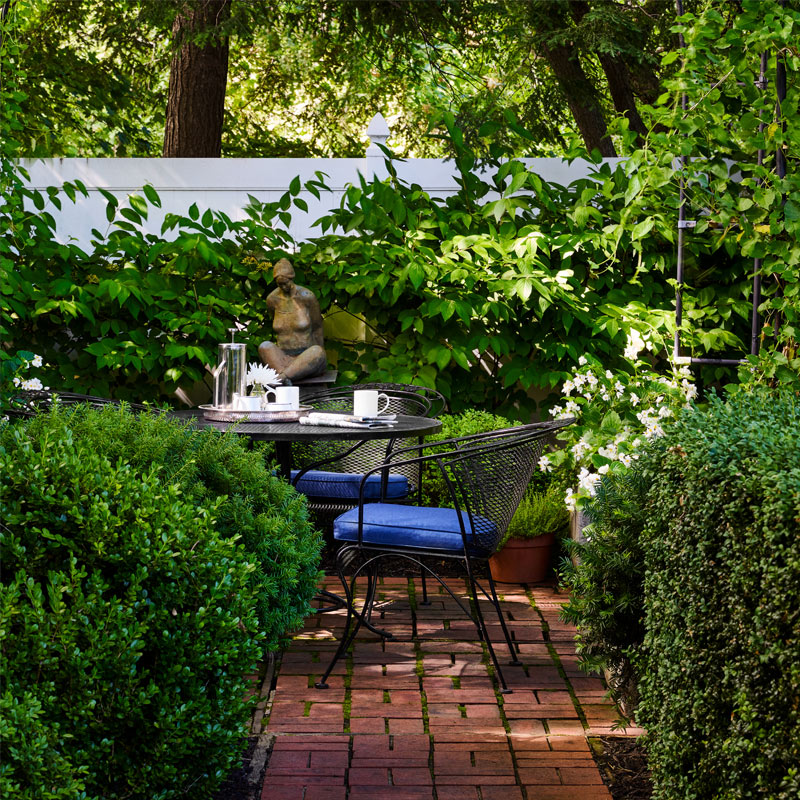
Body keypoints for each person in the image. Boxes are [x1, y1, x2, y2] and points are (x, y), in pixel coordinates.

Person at [258, 258, 327, 384]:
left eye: (286, 283)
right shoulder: (272, 300)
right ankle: (287, 375)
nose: (284, 287)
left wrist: (320, 359)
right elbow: (273, 319)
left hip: (305, 358)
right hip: (283, 358)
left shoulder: (307, 297)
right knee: (264, 346)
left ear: (292, 278)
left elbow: (317, 327)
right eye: (280, 284)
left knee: (317, 352)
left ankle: (281, 378)